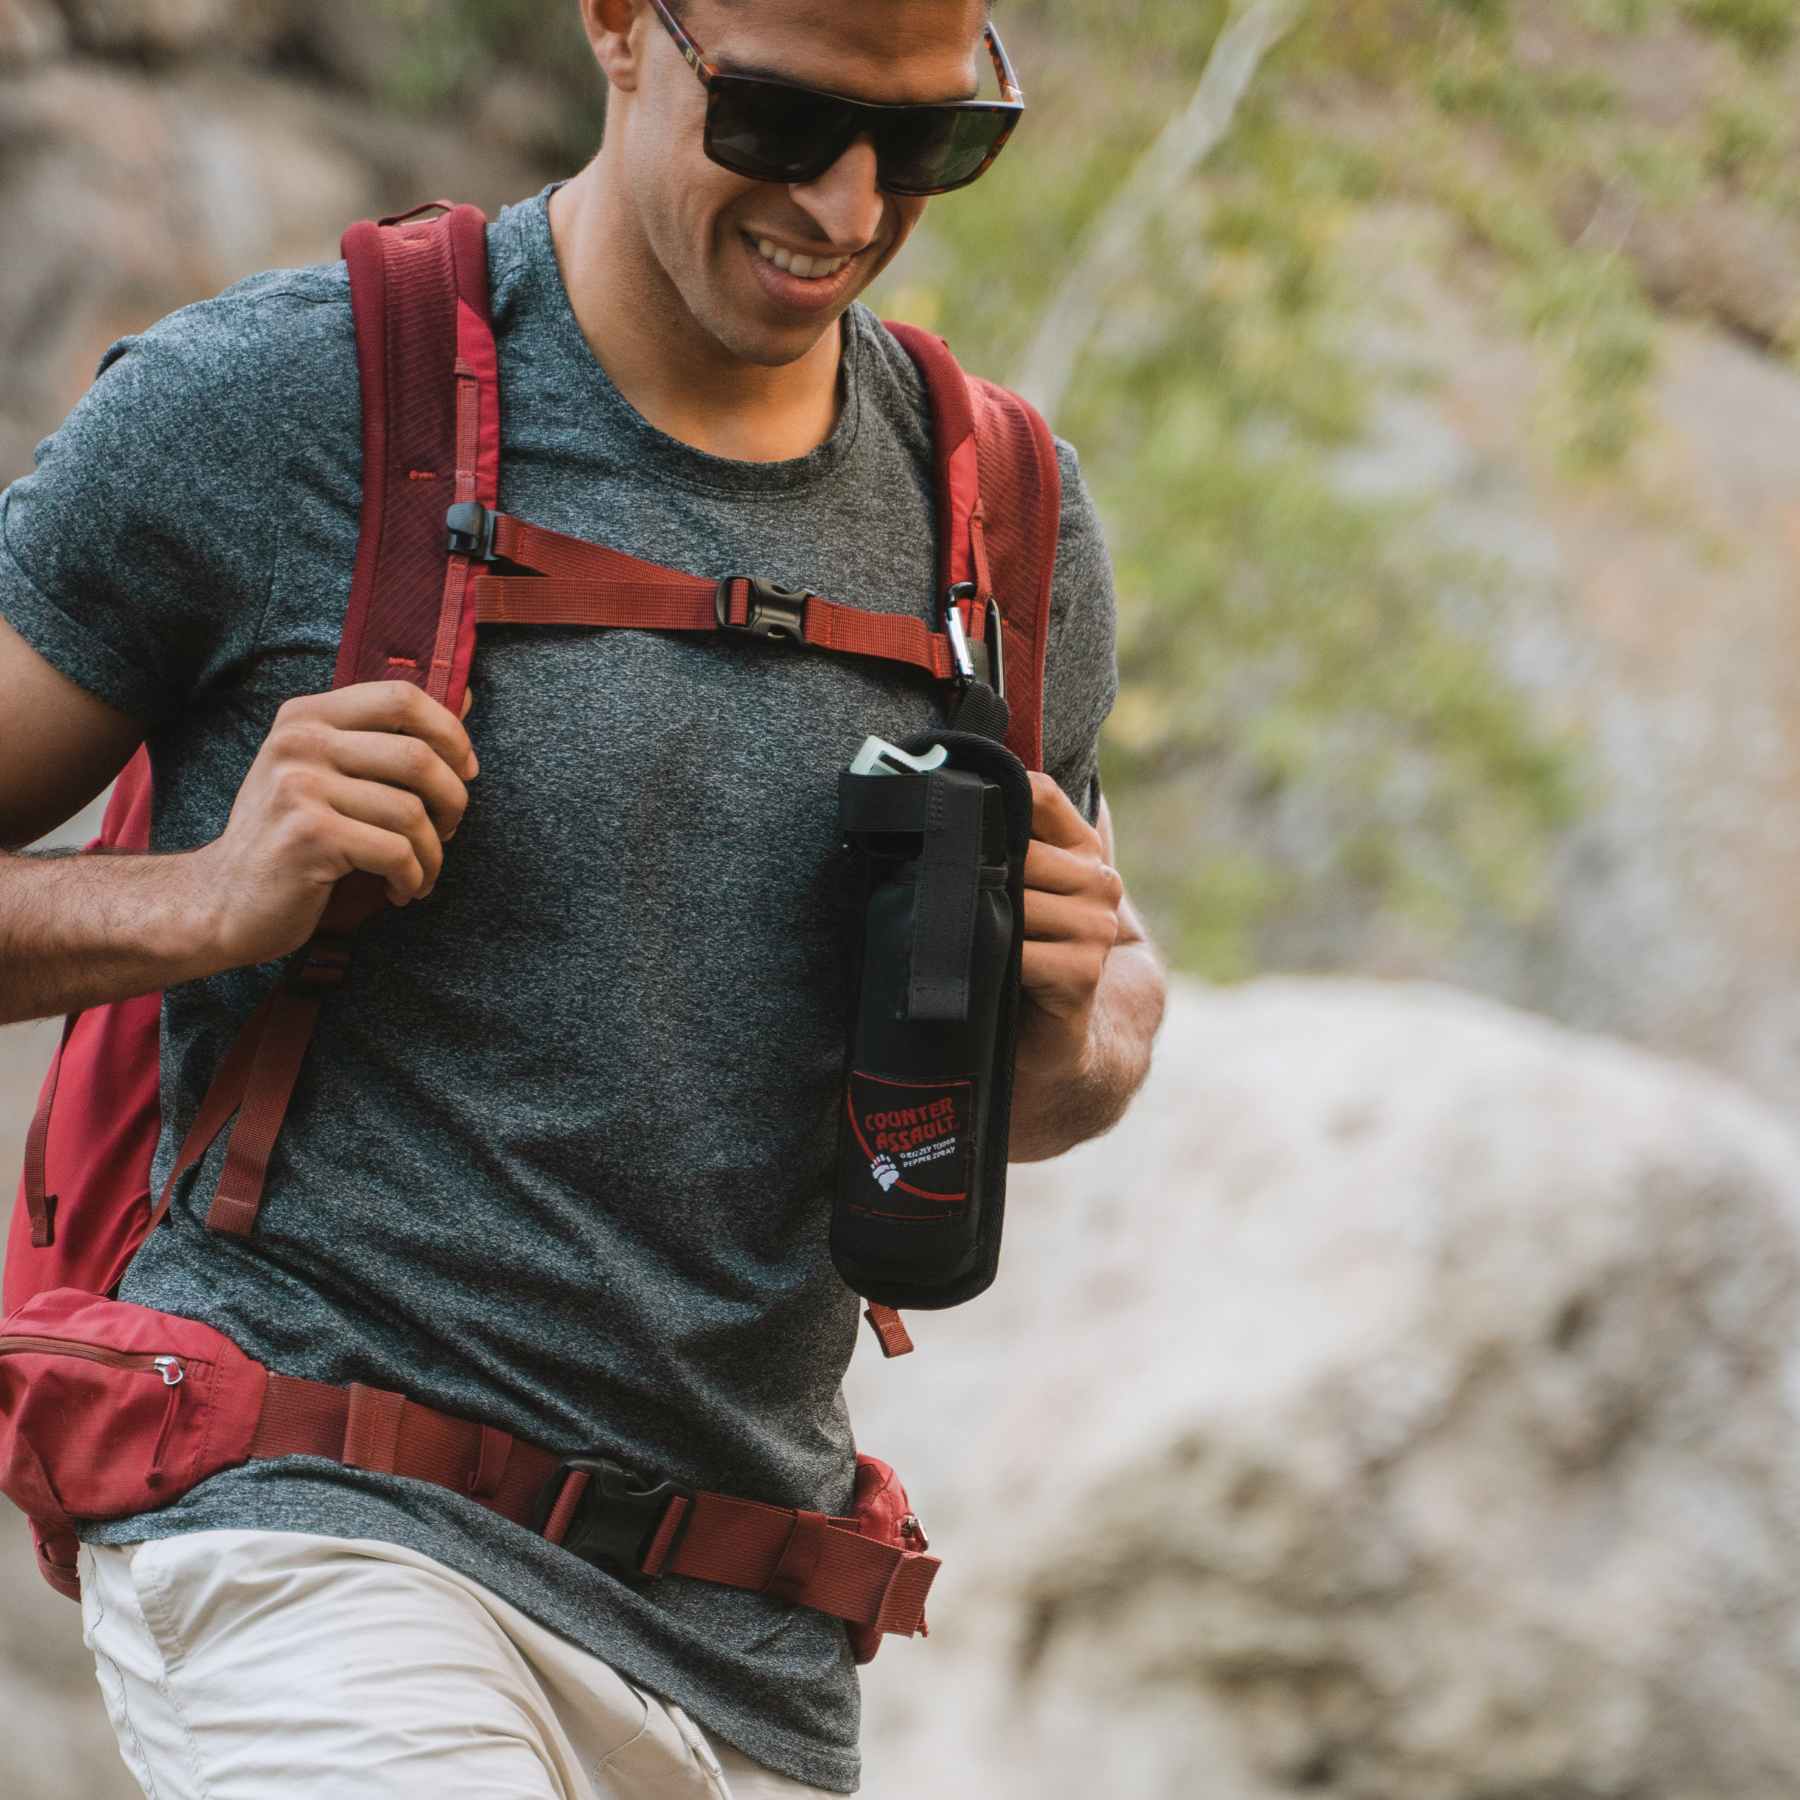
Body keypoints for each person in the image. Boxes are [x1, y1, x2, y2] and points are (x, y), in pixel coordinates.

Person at [0, 0, 1167, 1792]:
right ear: (621, 24)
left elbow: (1049, 1061)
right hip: (322, 1529)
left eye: (935, 143)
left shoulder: (999, 520)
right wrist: (206, 900)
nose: (852, 208)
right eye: (781, 121)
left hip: (756, 1642)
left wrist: (1078, 1041)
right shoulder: (286, 404)